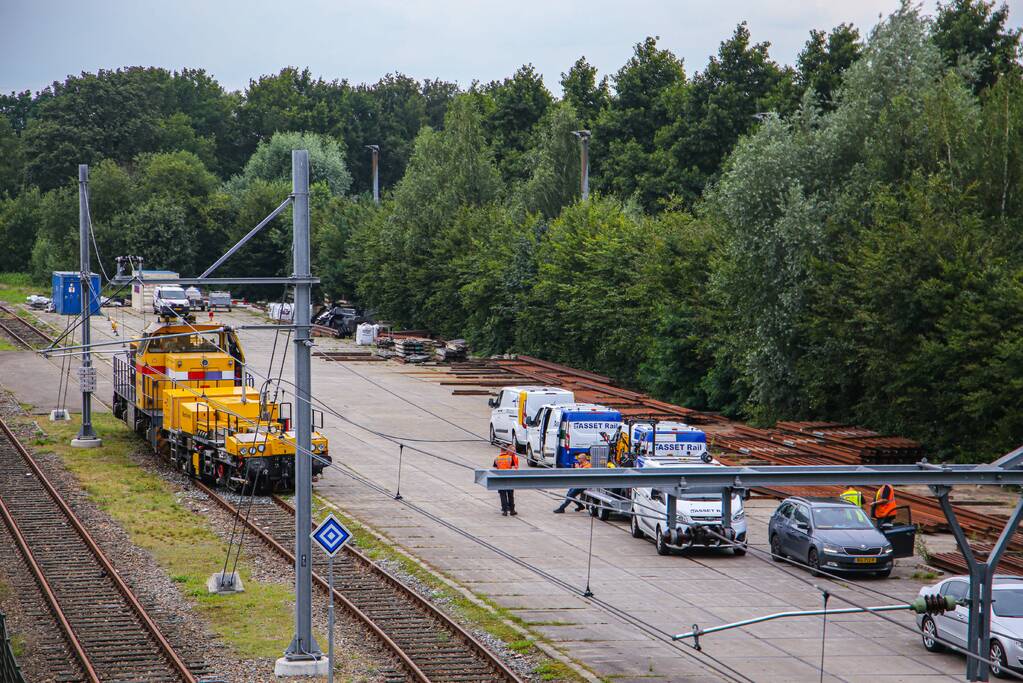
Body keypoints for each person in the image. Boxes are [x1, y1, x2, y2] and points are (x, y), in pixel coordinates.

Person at [493, 448, 518, 516]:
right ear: (506, 450)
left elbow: (496, 467)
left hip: (501, 479)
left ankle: (505, 511)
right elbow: (514, 465)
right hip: (509, 478)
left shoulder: (497, 458)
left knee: (503, 495)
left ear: (501, 450)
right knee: (510, 495)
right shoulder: (510, 458)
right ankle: (512, 510)